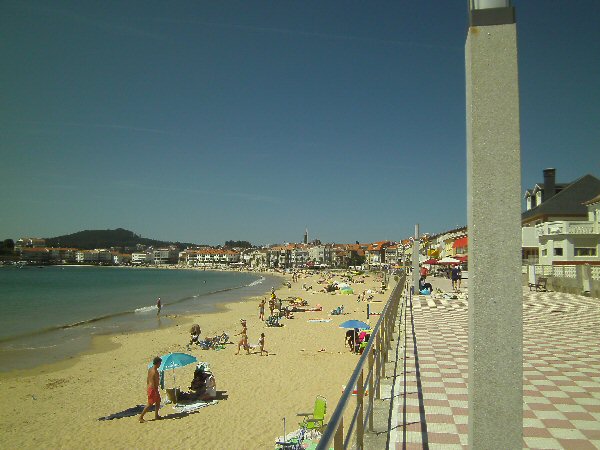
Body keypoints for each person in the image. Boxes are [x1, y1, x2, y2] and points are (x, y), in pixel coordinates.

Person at [139, 356, 162, 423]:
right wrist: (154, 390)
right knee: (150, 404)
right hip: (153, 389)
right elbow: (154, 382)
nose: (160, 365)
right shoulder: (155, 372)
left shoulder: (150, 369)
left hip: (152, 388)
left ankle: (156, 415)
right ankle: (141, 417)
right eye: (160, 363)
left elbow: (148, 379)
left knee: (158, 401)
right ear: (157, 363)